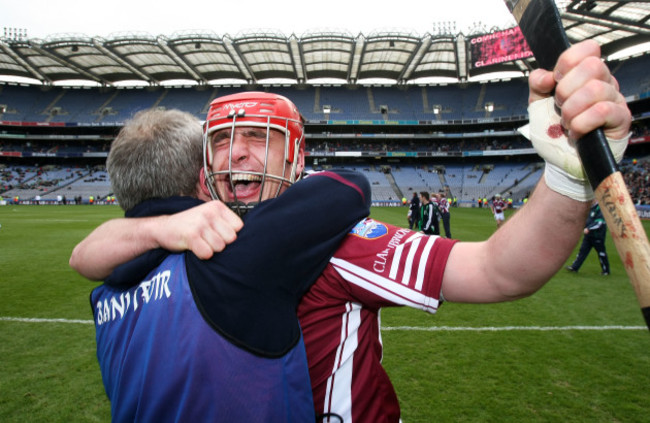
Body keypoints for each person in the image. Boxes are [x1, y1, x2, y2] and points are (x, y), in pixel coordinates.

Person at [71, 40, 632, 423]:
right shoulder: (179, 243)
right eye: (220, 140)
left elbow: (500, 269)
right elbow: (91, 253)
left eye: (257, 138)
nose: (236, 152)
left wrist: (564, 177)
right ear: (203, 167)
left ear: (295, 157)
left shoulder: (339, 242)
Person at [74, 106, 371, 422]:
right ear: (204, 179)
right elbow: (350, 187)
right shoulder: (237, 257)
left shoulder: (103, 294)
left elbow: (80, 257)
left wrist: (152, 228)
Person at [566, 200, 610, 275]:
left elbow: (600, 223)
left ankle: (606, 270)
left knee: (601, 253)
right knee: (582, 251)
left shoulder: (600, 208)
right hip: (589, 236)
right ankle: (575, 267)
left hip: (597, 236)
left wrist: (589, 228)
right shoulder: (590, 208)